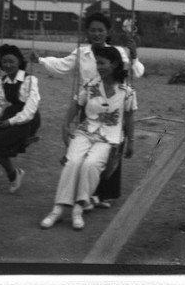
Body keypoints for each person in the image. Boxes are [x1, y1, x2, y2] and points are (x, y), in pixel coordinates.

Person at [31, 12, 144, 207]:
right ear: (87, 32)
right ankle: (83, 195)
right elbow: (62, 65)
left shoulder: (117, 52)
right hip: (90, 104)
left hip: (113, 105)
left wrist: (134, 57)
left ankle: (103, 194)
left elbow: (137, 72)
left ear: (107, 32)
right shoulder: (81, 53)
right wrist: (41, 60)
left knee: (110, 151)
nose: (97, 34)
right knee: (85, 153)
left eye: (101, 30)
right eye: (93, 30)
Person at [39, 45, 136, 230]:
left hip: (109, 137)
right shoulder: (91, 85)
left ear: (114, 64)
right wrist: (65, 124)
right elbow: (77, 104)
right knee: (73, 162)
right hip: (86, 131)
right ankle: (57, 209)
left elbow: (130, 116)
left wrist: (130, 142)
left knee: (90, 165)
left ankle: (78, 208)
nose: (98, 66)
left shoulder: (127, 91)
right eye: (97, 62)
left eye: (102, 63)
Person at [0, 44, 41, 194]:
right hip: (10, 113)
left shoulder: (30, 79)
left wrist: (10, 122)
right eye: (5, 62)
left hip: (27, 119)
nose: (8, 65)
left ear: (19, 62)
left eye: (11, 61)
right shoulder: (3, 80)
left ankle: (14, 175)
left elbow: (30, 109)